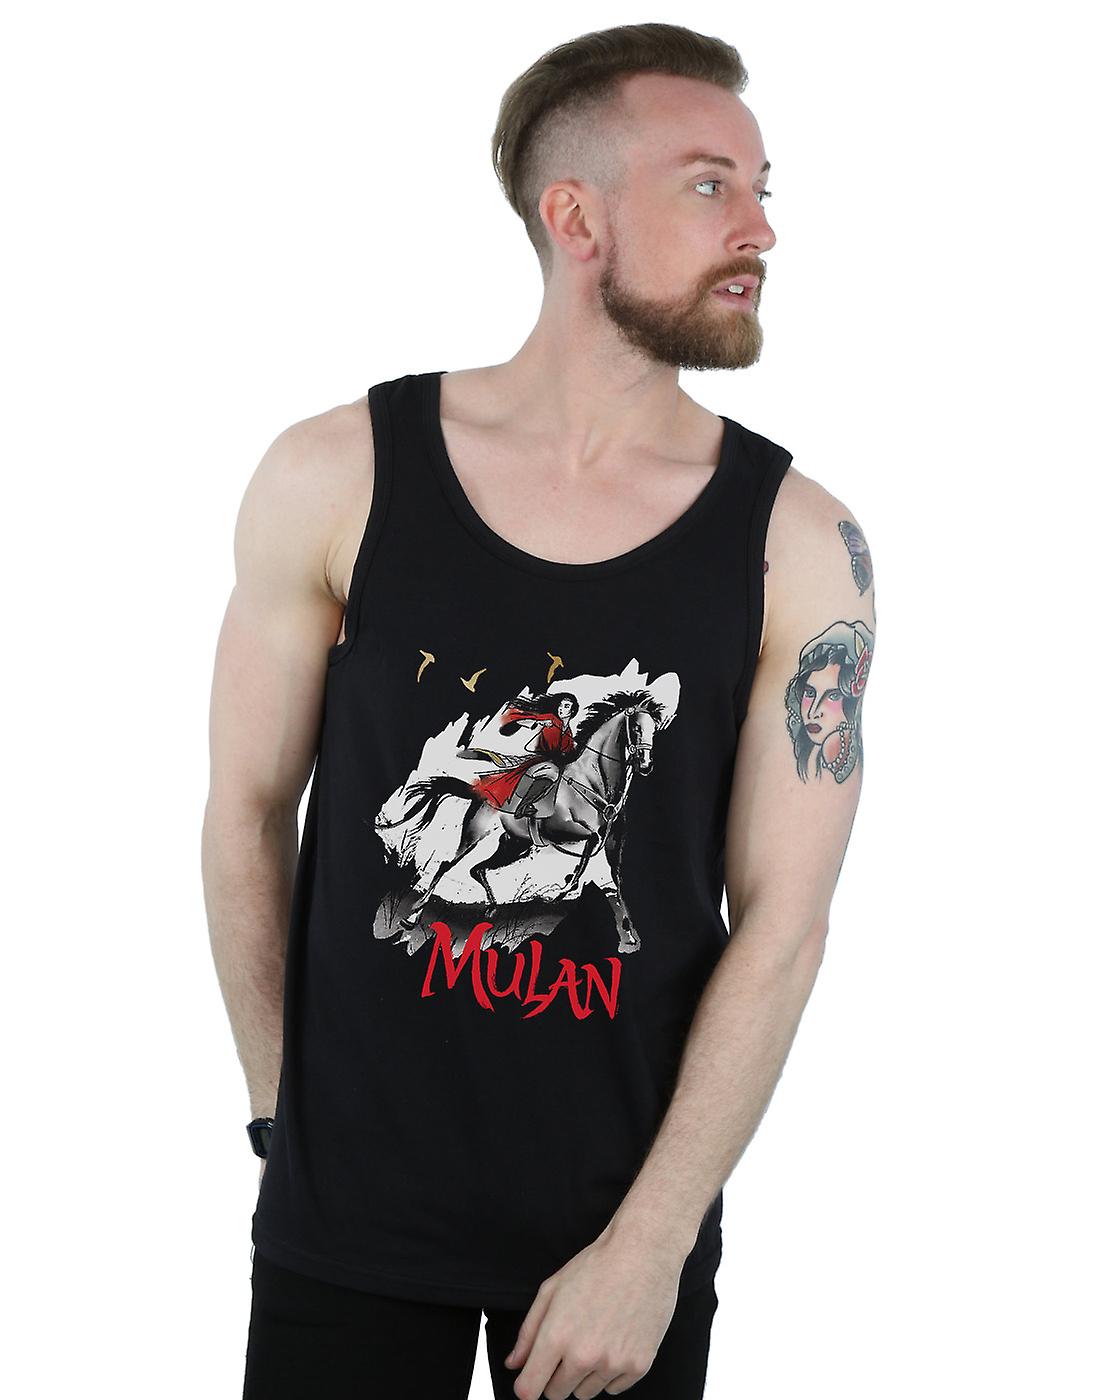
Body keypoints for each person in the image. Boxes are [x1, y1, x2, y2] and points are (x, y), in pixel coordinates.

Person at [202, 21, 876, 1400]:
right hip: (344, 1226)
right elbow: (247, 813)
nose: (759, 229)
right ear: (577, 218)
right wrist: (284, 1124)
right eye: (710, 185)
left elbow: (786, 925)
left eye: (763, 189)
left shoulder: (801, 544)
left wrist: (654, 1241)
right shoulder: (338, 475)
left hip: (617, 1253)